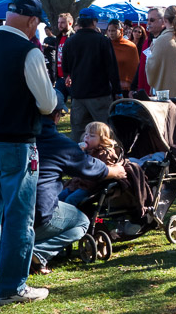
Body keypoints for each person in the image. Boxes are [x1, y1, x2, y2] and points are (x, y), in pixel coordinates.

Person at [0, 0, 57, 305]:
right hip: (16, 143)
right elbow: (47, 104)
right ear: (32, 22)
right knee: (18, 216)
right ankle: (10, 287)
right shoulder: (27, 51)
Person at [34, 96, 126, 273]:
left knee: (66, 200)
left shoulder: (16, 139)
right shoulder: (59, 144)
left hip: (10, 214)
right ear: (56, 116)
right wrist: (113, 171)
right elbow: (88, 167)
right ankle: (38, 252)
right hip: (40, 213)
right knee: (81, 222)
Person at [62, 7, 120, 143]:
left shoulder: (70, 41)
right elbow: (112, 68)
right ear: (94, 22)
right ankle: (108, 158)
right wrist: (117, 90)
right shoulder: (102, 40)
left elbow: (65, 67)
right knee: (105, 131)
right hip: (99, 94)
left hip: (78, 95)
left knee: (79, 133)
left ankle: (78, 159)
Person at [59, 121, 123, 208]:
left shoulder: (105, 153)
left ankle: (71, 219)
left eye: (92, 136)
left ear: (103, 140)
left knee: (70, 200)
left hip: (91, 187)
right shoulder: (88, 150)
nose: (87, 137)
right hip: (78, 183)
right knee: (59, 197)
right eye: (86, 134)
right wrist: (79, 154)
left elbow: (104, 172)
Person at [134, 7, 165, 95]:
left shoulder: (167, 42)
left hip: (159, 91)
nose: (148, 23)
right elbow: (141, 64)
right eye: (147, 20)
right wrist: (134, 86)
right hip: (145, 90)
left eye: (152, 20)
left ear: (163, 21)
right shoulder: (147, 42)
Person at [106, 20, 138, 99]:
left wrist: (132, 87)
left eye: (113, 30)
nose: (111, 33)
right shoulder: (105, 45)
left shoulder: (130, 47)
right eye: (109, 31)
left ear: (121, 30)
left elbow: (135, 68)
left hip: (125, 89)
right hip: (107, 88)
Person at [51, 13, 74, 100]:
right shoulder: (58, 38)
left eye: (62, 22)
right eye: (58, 22)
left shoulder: (73, 38)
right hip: (59, 77)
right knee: (57, 104)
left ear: (70, 23)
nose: (60, 25)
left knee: (75, 105)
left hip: (71, 78)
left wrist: (71, 75)